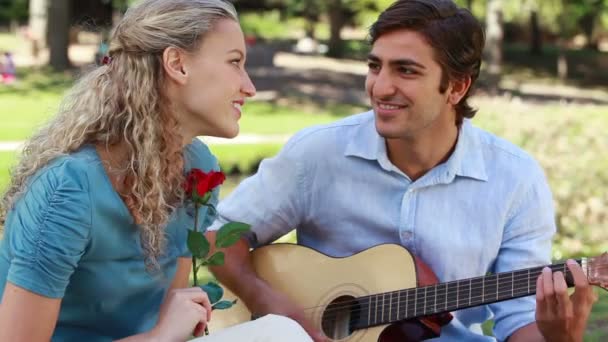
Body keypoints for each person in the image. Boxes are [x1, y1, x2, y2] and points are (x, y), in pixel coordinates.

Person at [206, 0, 598, 341]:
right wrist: (273, 306)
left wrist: (560, 336)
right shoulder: (318, 154)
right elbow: (218, 236)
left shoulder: (516, 180)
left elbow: (520, 324)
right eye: (376, 66)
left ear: (457, 87)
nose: (380, 87)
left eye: (406, 71)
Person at [0, 1, 312, 341]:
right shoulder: (68, 190)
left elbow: (171, 314)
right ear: (177, 64)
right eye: (234, 62)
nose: (249, 87)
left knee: (281, 332)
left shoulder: (199, 169)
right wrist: (159, 336)